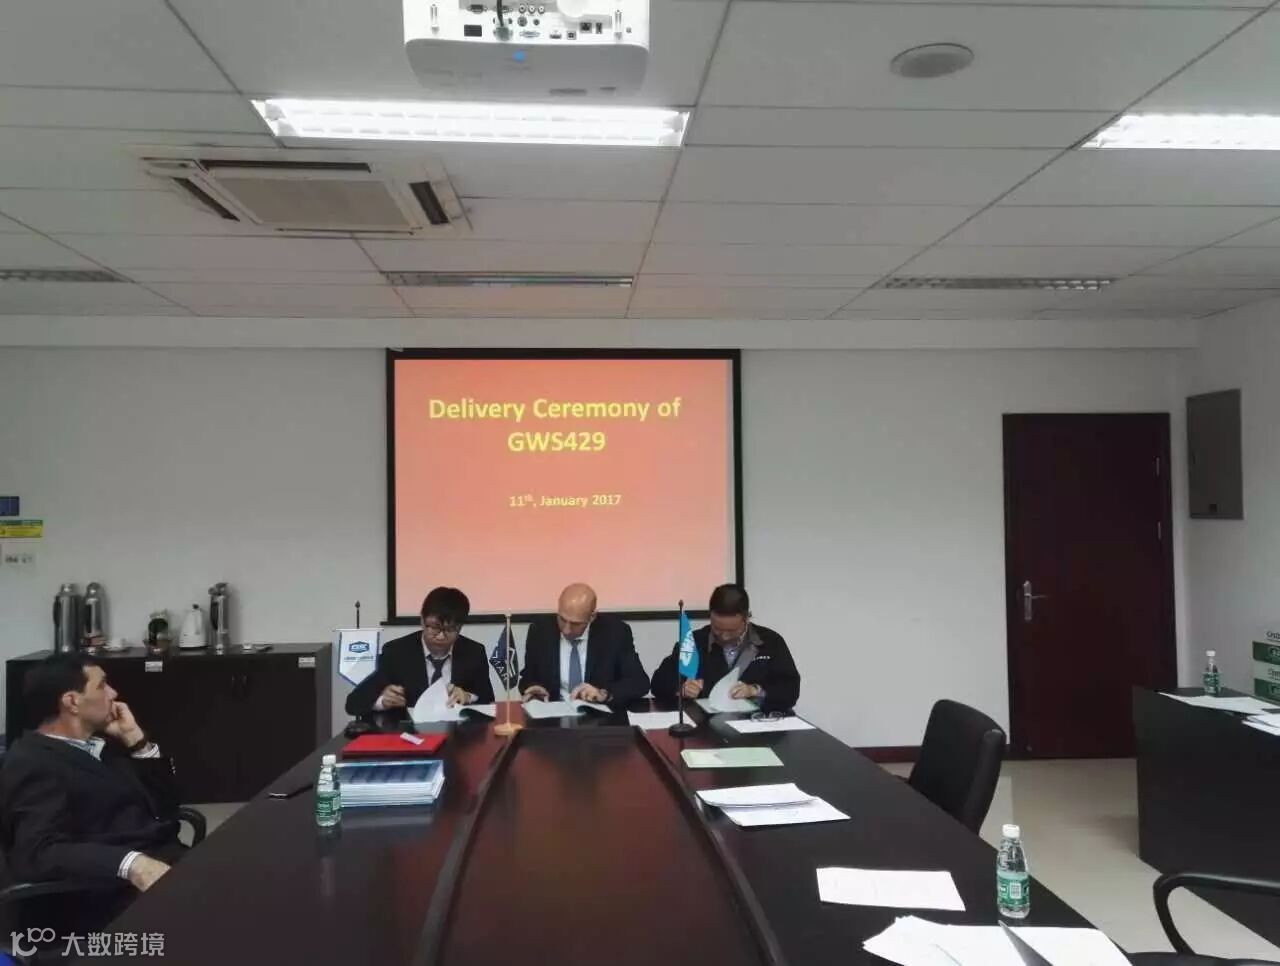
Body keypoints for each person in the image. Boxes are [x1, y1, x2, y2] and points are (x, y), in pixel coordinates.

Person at [0, 653, 183, 895]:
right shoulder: (32, 762)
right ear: (72, 702)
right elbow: (39, 851)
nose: (113, 693)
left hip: (170, 857)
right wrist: (130, 864)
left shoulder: (104, 744)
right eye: (102, 685)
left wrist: (137, 741)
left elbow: (167, 806)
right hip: (114, 889)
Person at [345, 586, 495, 716]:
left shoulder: (473, 652)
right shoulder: (396, 653)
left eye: (450, 629)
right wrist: (382, 701)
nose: (441, 636)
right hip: (409, 735)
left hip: (458, 735)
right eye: (435, 627)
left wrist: (468, 697)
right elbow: (353, 703)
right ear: (422, 621)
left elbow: (489, 701)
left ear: (460, 627)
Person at [650, 584, 801, 711]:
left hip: (758, 723)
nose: (724, 636)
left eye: (732, 631)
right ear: (710, 616)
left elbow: (790, 689)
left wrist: (755, 690)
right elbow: (658, 683)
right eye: (717, 629)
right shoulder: (694, 642)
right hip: (705, 727)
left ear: (746, 618)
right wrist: (681, 689)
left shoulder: (770, 642)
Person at [519, 583, 649, 705]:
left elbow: (639, 682)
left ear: (592, 617)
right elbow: (527, 677)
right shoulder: (540, 631)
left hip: (598, 715)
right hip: (553, 714)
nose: (566, 630)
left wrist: (603, 694)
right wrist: (533, 688)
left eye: (575, 624)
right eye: (562, 619)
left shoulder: (615, 633)